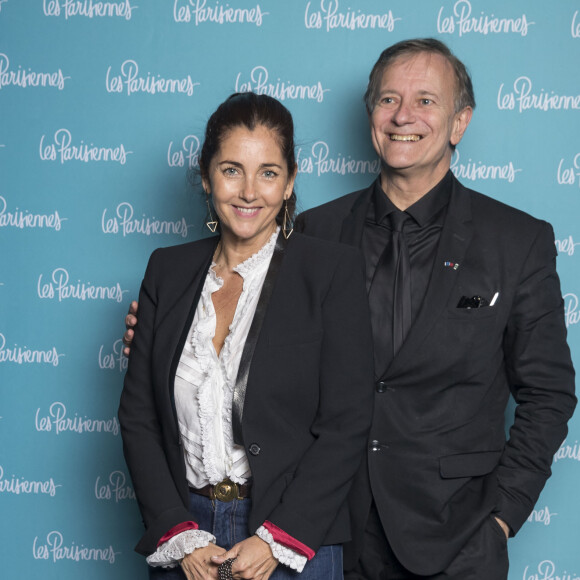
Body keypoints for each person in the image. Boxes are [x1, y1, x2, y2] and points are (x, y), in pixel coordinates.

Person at [124, 39, 576, 579]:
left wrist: (501, 514)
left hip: (456, 532)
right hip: (329, 528)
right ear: (370, 115)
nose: (403, 115)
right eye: (388, 99)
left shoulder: (516, 242)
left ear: (460, 122)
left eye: (426, 101)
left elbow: (548, 393)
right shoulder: (311, 234)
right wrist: (157, 335)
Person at [119, 92, 374, 580]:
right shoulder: (166, 271)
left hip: (295, 538)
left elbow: (347, 422)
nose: (249, 191)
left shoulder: (330, 272)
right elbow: (138, 417)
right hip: (190, 536)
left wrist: (277, 538)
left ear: (290, 180)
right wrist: (178, 533)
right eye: (232, 169)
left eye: (269, 172)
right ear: (207, 175)